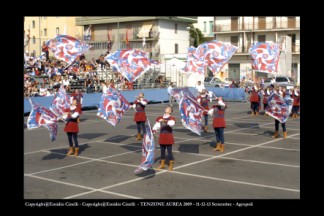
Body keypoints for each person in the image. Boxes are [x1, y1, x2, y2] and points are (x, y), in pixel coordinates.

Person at [152, 106, 176, 171]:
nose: (166, 109)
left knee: (169, 151)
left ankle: (170, 165)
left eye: (168, 108)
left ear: (170, 111)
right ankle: (162, 165)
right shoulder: (160, 117)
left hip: (168, 136)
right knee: (162, 151)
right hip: (162, 135)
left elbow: (171, 124)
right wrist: (153, 130)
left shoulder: (172, 118)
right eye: (166, 108)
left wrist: (164, 120)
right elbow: (156, 125)